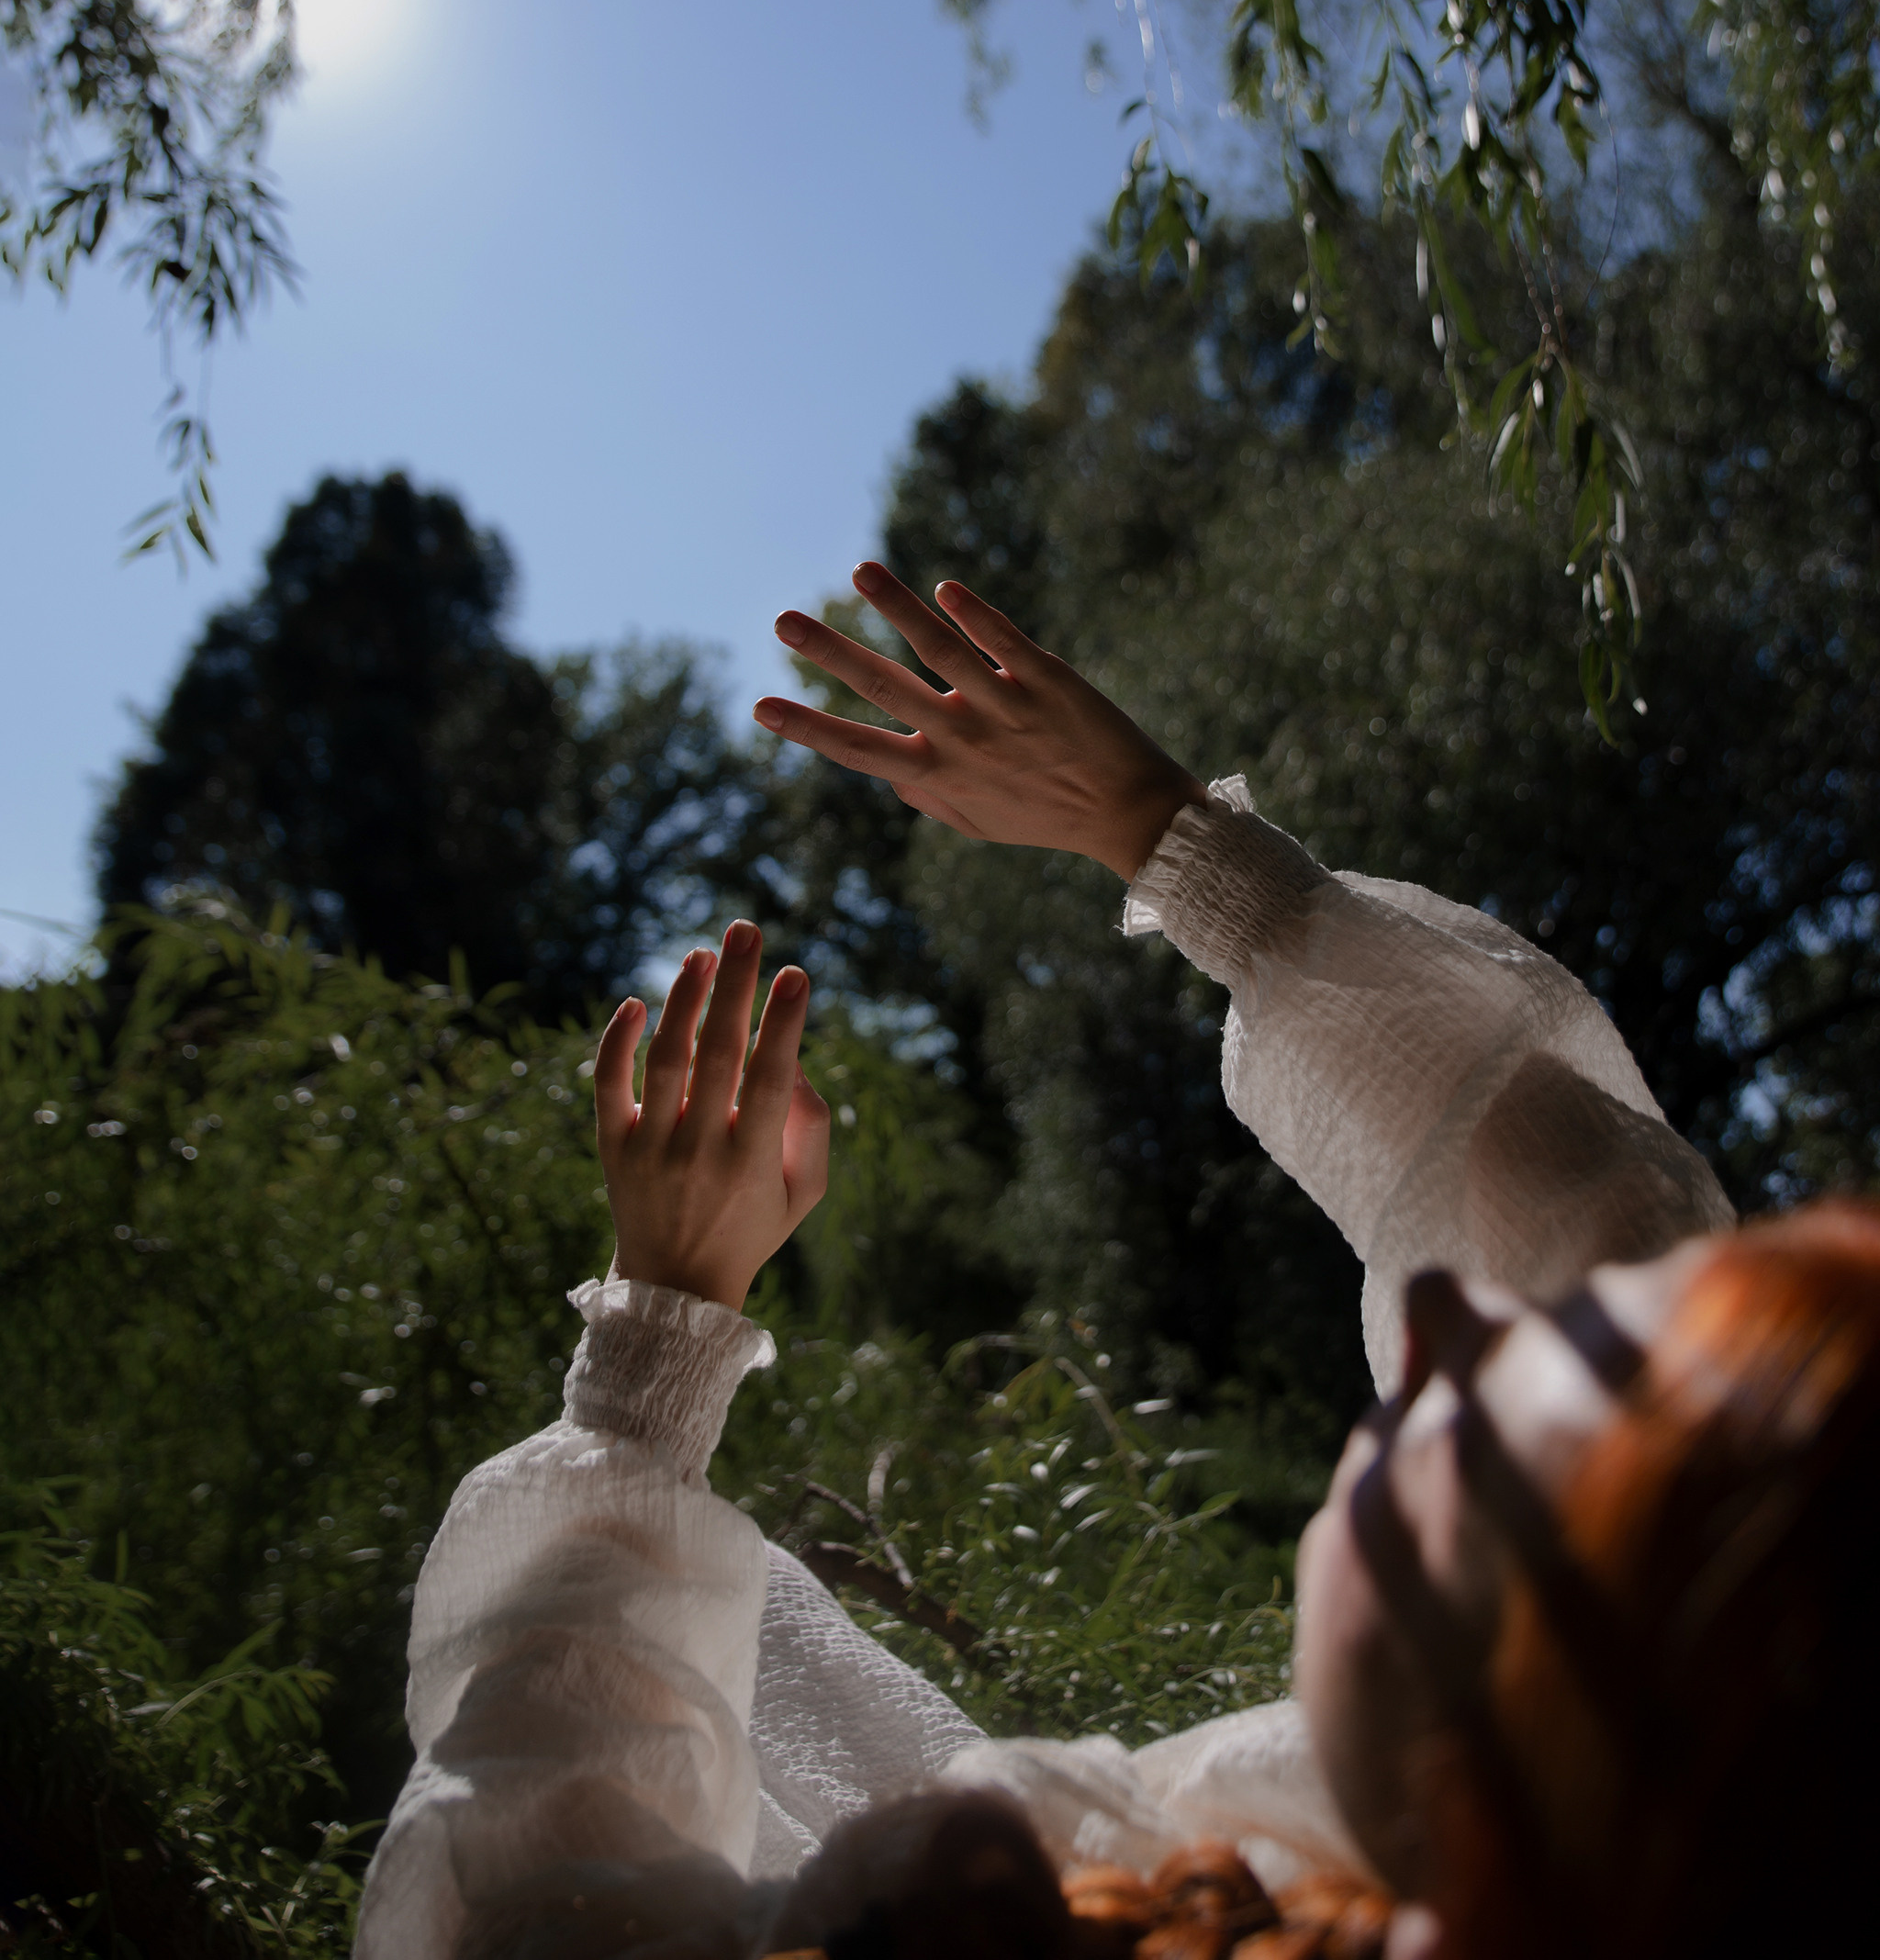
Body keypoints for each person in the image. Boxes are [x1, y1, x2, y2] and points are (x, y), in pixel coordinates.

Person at [353, 566, 1878, 1960]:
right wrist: (1170, 839)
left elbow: (515, 1909)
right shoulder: (1454, 1870)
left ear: (1580, 1710)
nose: (1450, 1327)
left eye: (1476, 1424)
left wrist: (651, 1363)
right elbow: (1608, 1230)